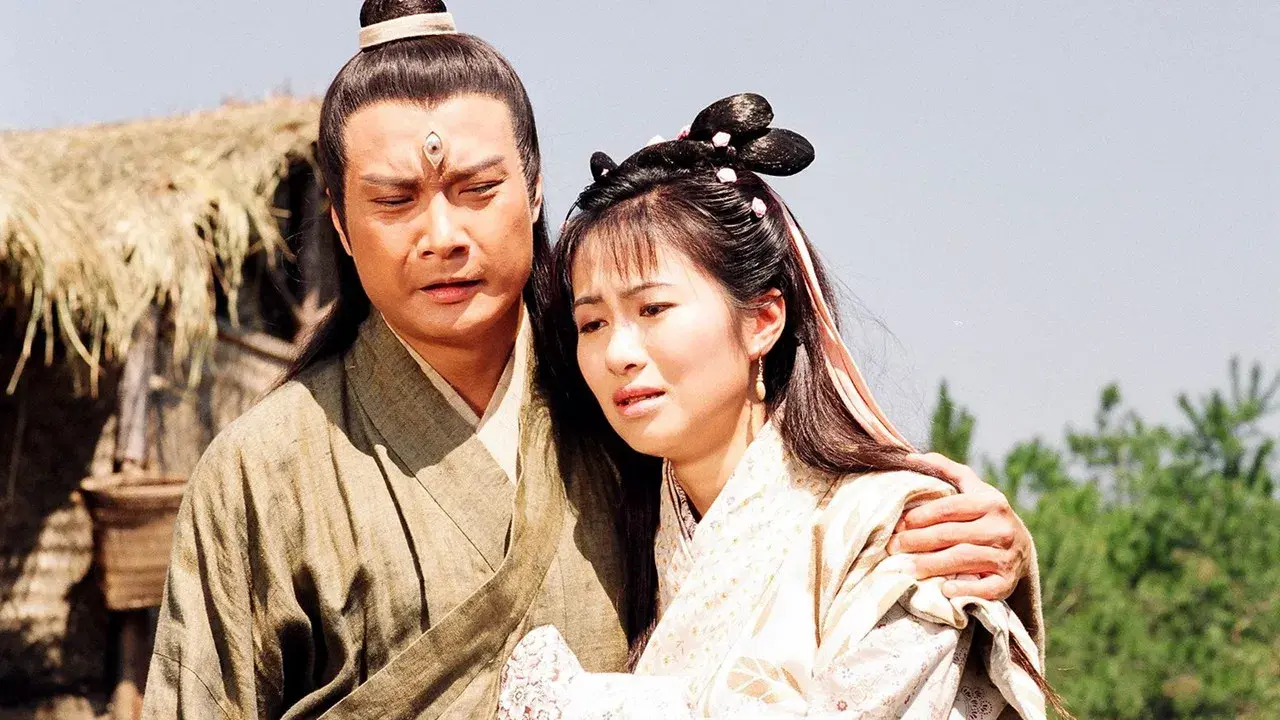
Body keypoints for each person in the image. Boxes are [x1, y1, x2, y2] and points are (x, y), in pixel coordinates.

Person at [142, 3, 1042, 718]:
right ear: (341, 223)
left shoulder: (622, 403)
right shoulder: (263, 468)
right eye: (395, 201)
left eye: (477, 188)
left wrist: (971, 538)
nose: (441, 234)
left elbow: (801, 538)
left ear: (534, 189)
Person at [496, 94, 1063, 718]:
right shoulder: (621, 525)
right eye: (592, 323)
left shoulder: (889, 531)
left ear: (763, 319)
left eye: (653, 308)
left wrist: (577, 702)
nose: (618, 353)